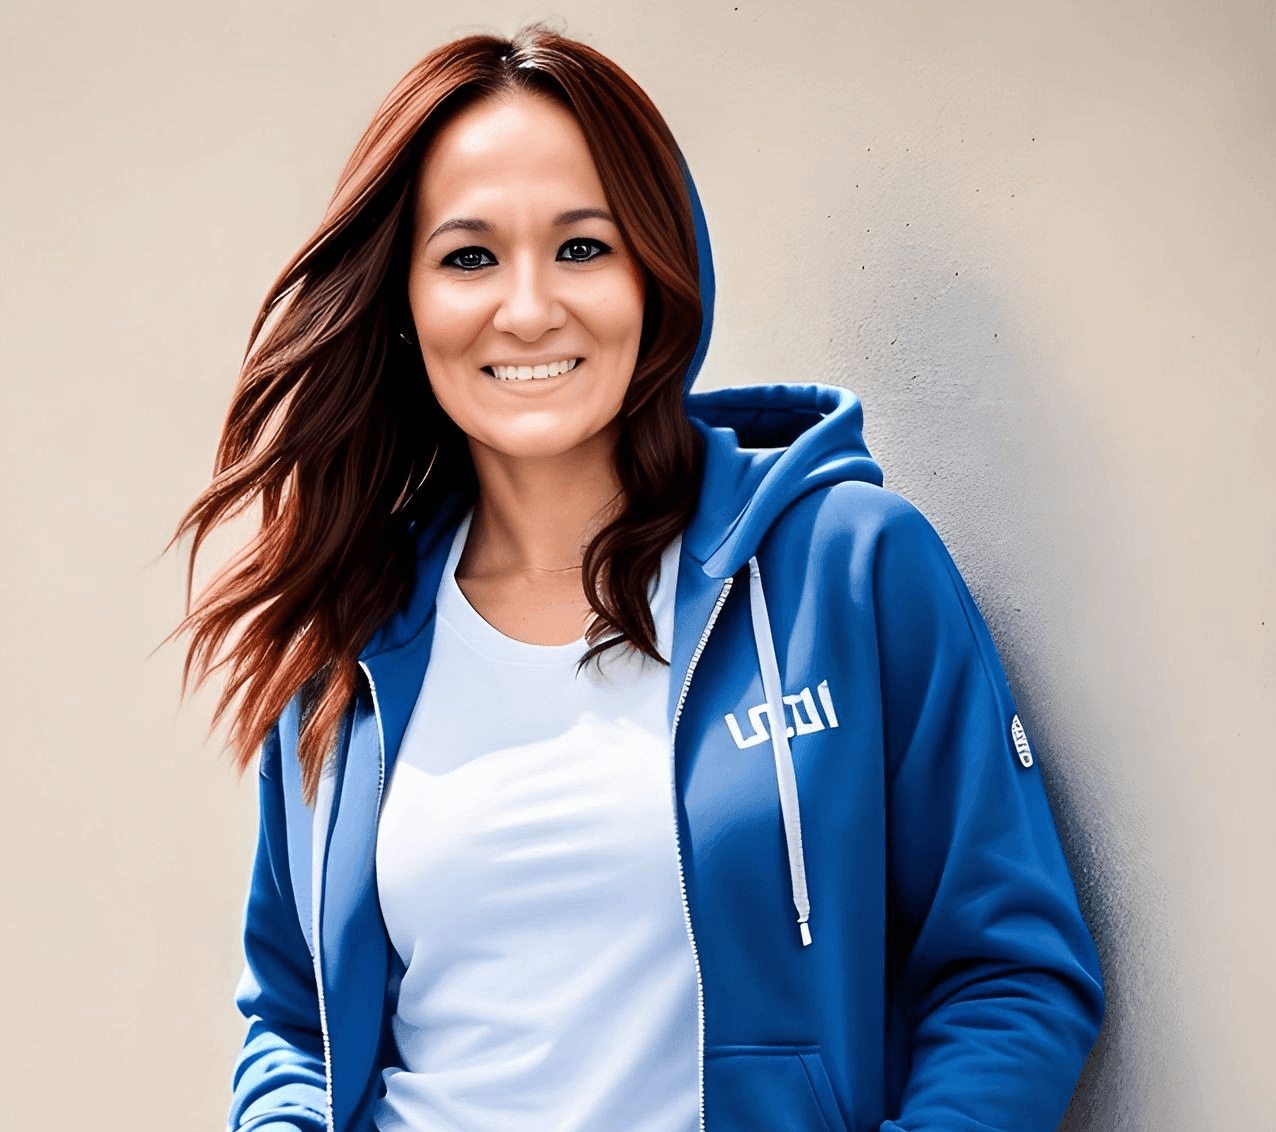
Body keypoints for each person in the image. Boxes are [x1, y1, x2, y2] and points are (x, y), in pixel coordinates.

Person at [174, 24, 1104, 1132]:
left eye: (581, 248)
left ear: (659, 269)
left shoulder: (847, 571)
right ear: (404, 303)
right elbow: (297, 1024)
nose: (528, 309)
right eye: (469, 257)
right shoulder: (350, 639)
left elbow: (1011, 973)